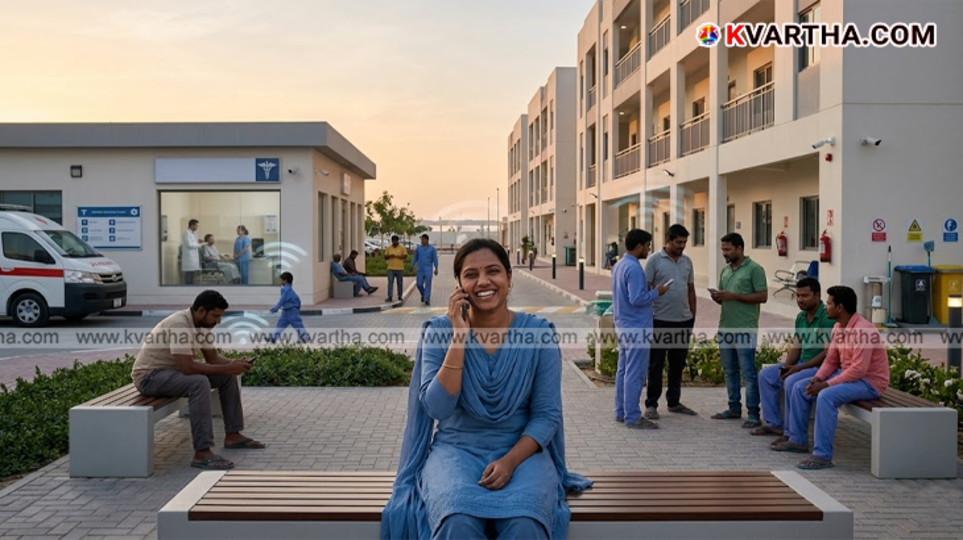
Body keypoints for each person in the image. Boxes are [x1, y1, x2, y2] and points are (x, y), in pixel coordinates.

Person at [381, 239, 592, 540]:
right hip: (456, 451)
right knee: (456, 521)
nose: (483, 281)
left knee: (525, 522)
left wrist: (510, 461)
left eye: (493, 271)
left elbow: (546, 416)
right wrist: (459, 337)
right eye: (471, 274)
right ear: (459, 285)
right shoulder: (439, 332)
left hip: (523, 454)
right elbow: (438, 408)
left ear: (509, 277)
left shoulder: (538, 334)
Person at [131, 290, 265, 470]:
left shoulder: (202, 326)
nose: (218, 321)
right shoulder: (180, 324)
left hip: (173, 374)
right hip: (150, 377)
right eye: (215, 316)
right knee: (199, 382)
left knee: (226, 376)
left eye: (220, 316)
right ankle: (202, 452)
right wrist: (229, 367)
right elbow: (188, 367)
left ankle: (233, 435)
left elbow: (212, 358)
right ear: (201, 311)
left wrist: (235, 364)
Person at [776, 285, 890, 470]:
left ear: (840, 307)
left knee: (826, 396)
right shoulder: (838, 327)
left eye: (829, 303)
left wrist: (826, 385)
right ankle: (797, 440)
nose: (825, 306)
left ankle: (822, 455)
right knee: (799, 387)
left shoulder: (863, 330)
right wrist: (818, 378)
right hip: (849, 375)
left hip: (869, 382)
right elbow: (831, 360)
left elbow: (859, 370)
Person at [752, 277, 833, 444]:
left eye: (805, 296)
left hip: (819, 368)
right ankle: (775, 424)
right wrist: (787, 366)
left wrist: (798, 368)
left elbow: (828, 353)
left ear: (817, 295)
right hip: (801, 364)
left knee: (791, 381)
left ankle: (792, 434)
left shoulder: (827, 317)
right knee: (766, 375)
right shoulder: (801, 317)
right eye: (798, 295)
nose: (800, 300)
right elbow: (797, 345)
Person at [710, 232, 768, 429]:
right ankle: (734, 408)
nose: (724, 253)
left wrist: (733, 296)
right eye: (722, 249)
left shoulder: (755, 269)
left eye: (728, 249)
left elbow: (762, 296)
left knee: (748, 373)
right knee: (730, 372)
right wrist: (718, 297)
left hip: (745, 329)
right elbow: (724, 297)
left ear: (739, 248)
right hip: (725, 327)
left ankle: (753, 414)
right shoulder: (725, 271)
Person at [612, 229, 669, 429]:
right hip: (636, 327)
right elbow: (636, 298)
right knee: (635, 373)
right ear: (639, 247)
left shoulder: (619, 265)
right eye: (647, 246)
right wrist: (657, 292)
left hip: (624, 325)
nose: (649, 249)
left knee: (623, 370)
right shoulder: (634, 269)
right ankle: (633, 416)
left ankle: (621, 411)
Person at [643, 224, 697, 420]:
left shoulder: (687, 261)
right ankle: (651, 404)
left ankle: (674, 402)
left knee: (677, 364)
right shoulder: (654, 260)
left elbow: (690, 289)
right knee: (656, 365)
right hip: (660, 321)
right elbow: (646, 288)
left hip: (683, 321)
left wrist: (692, 317)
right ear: (668, 240)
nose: (682, 246)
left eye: (684, 242)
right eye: (678, 242)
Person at [269, 272, 310, 343]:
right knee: (281, 324)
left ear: (285, 280)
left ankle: (305, 337)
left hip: (291, 310)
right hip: (287, 310)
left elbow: (282, 300)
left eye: (281, 280)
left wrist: (275, 308)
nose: (280, 281)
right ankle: (273, 337)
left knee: (296, 324)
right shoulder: (286, 289)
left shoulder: (286, 290)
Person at [412, 233, 439, 305]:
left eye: (423, 239)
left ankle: (427, 299)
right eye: (421, 239)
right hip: (420, 269)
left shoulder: (432, 249)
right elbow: (415, 258)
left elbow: (435, 259)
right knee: (419, 284)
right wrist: (412, 265)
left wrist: (436, 268)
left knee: (428, 284)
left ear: (427, 240)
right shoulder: (418, 249)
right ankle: (423, 294)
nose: (422, 241)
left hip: (428, 269)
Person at [384, 235, 407, 302]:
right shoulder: (389, 248)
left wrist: (397, 256)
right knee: (390, 282)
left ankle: (400, 296)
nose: (394, 242)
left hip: (399, 268)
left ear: (397, 241)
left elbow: (405, 256)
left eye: (395, 241)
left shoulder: (402, 248)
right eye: (393, 241)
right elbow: (385, 257)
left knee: (399, 283)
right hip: (391, 268)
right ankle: (390, 296)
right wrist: (389, 256)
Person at [181, 219, 202, 285]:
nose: (197, 227)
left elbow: (194, 242)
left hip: (193, 257)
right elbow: (189, 244)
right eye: (196, 225)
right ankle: (188, 287)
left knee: (192, 274)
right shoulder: (186, 233)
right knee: (189, 274)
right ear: (192, 225)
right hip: (189, 257)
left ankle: (191, 286)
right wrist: (199, 245)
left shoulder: (194, 233)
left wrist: (198, 241)